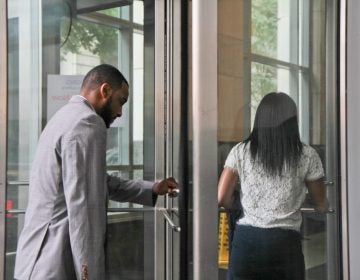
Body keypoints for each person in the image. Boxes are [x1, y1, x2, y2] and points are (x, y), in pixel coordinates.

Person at [14, 64, 178, 280]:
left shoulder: (63, 117)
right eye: (121, 101)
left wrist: (153, 188)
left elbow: (98, 183)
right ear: (105, 91)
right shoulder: (88, 123)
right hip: (54, 264)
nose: (120, 112)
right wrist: (88, 273)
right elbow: (84, 207)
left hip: (33, 262)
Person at [218, 92, 327, 280]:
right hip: (285, 244)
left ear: (259, 119)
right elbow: (321, 202)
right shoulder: (306, 155)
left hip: (247, 242)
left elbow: (221, 198)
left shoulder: (240, 151)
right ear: (292, 121)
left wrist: (235, 203)